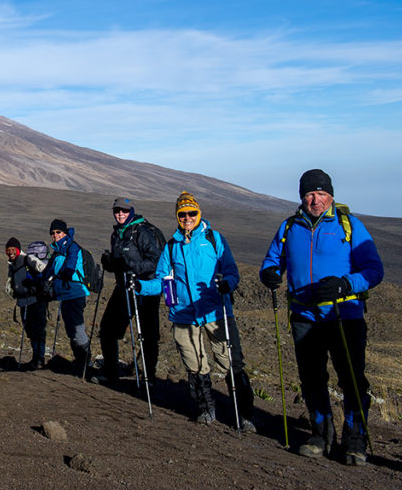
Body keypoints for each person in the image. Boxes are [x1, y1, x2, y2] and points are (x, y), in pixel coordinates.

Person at [259, 169, 384, 466]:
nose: (315, 200)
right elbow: (272, 259)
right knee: (311, 379)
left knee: (351, 380)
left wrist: (345, 284)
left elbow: (374, 270)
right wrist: (269, 273)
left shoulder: (349, 225)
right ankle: (320, 435)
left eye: (320, 194)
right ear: (302, 196)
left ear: (331, 195)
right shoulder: (290, 227)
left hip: (344, 315)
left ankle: (354, 439)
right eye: (309, 194)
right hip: (304, 315)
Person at [136, 192, 255, 430]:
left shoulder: (214, 239)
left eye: (192, 213)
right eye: (183, 214)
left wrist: (227, 283)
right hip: (183, 314)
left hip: (215, 310)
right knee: (195, 363)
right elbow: (163, 280)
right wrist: (141, 286)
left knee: (230, 361)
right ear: (177, 216)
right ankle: (205, 408)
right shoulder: (172, 246)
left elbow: (231, 270)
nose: (187, 218)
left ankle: (244, 413)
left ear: (199, 213)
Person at [97, 197, 164, 385]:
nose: (120, 214)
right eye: (117, 211)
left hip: (145, 288)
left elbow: (155, 261)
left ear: (131, 212)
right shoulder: (117, 234)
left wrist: (131, 266)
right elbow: (121, 265)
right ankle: (111, 373)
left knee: (148, 334)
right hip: (124, 287)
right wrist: (110, 264)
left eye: (124, 211)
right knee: (108, 330)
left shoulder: (141, 232)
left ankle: (149, 377)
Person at [47, 219, 91, 374]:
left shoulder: (72, 247)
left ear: (65, 233)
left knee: (77, 329)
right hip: (65, 295)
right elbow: (48, 271)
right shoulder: (57, 251)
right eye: (53, 233)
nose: (55, 235)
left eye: (58, 232)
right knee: (70, 330)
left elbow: (70, 267)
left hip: (76, 293)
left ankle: (86, 363)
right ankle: (80, 362)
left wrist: (57, 277)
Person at [5, 237, 51, 370]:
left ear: (18, 250)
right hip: (23, 301)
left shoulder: (28, 259)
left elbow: (45, 270)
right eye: (8, 251)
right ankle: (36, 358)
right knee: (30, 331)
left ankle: (39, 359)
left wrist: (35, 285)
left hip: (36, 300)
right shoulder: (12, 264)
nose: (10, 253)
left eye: (13, 250)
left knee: (38, 330)